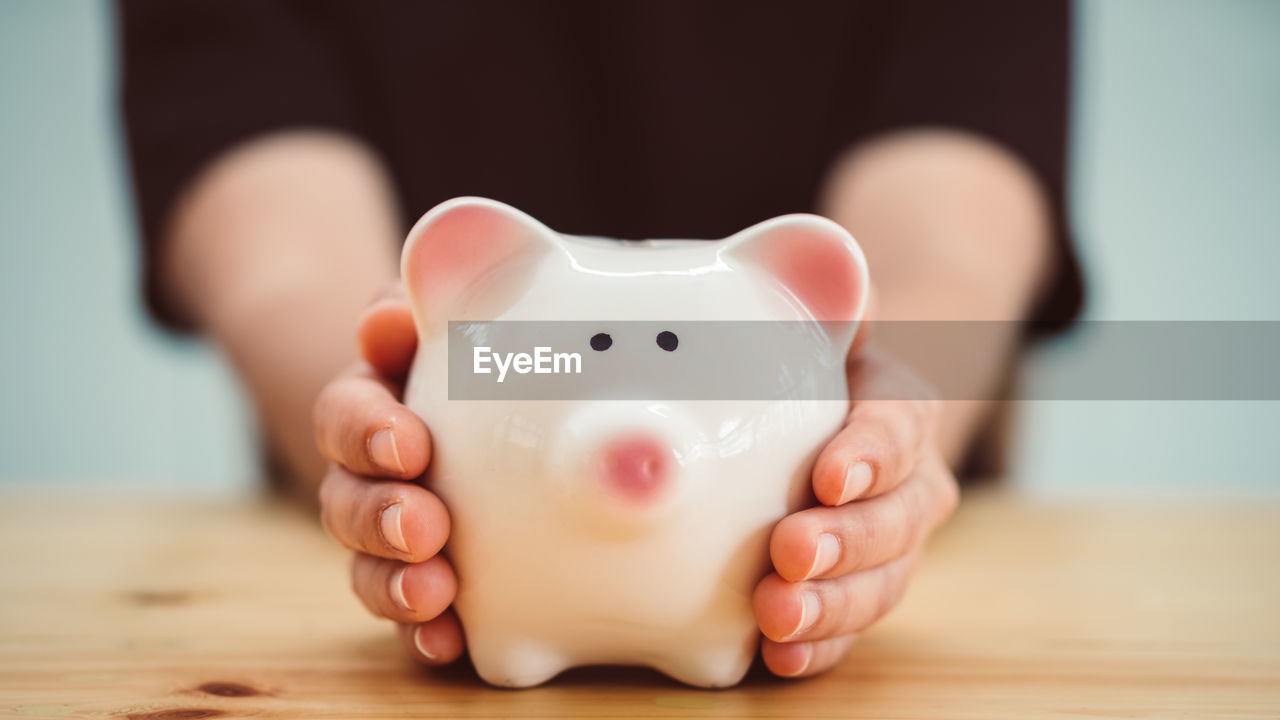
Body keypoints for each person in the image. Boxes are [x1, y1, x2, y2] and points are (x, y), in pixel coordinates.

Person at [118, 0, 1080, 679]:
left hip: (857, 557)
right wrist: (375, 397)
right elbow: (281, 263)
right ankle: (514, 637)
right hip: (416, 527)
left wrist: (894, 423)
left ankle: (706, 638)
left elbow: (948, 249)